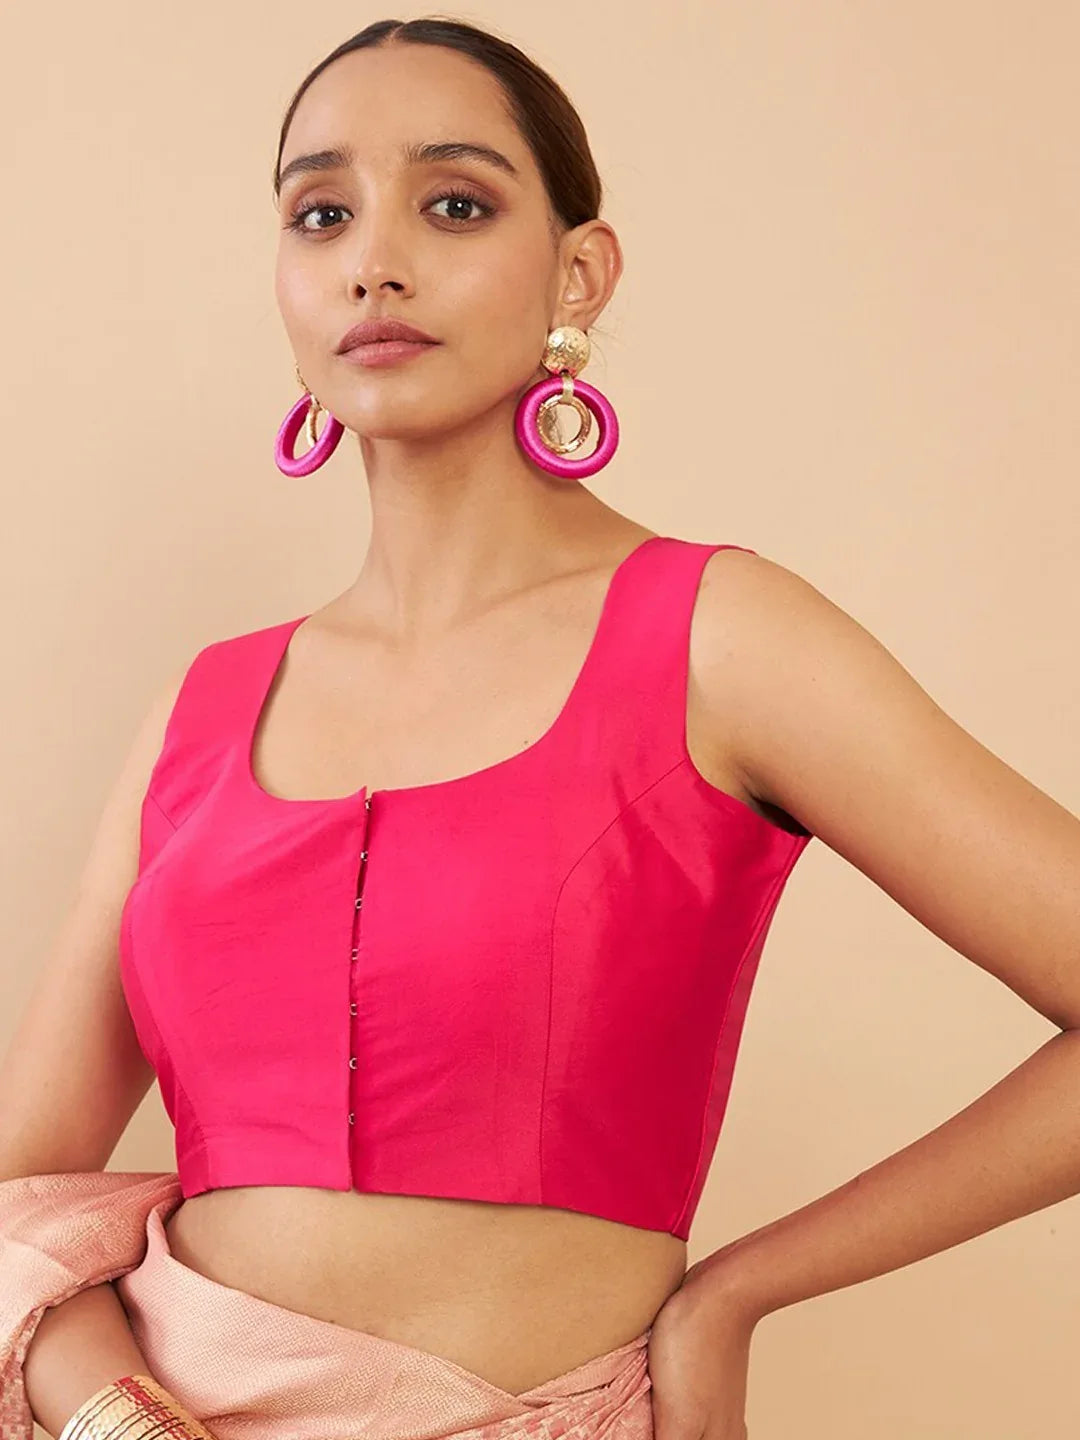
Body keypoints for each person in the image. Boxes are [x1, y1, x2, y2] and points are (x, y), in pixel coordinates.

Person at [3, 16, 1080, 1440]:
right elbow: (21, 1203)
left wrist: (733, 1293)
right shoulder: (199, 710)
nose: (373, 260)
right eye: (321, 213)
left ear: (580, 271)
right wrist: (118, 1417)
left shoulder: (720, 636)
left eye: (454, 203)